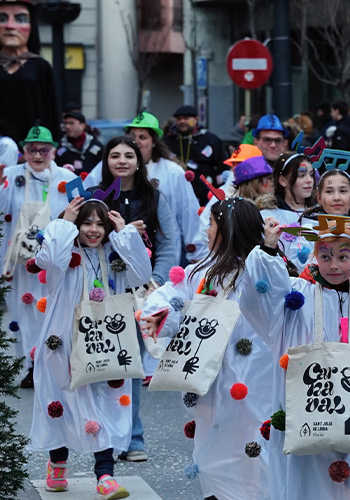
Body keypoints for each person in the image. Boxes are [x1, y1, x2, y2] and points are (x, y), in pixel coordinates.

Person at [239, 213, 350, 500]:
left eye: (343, 257)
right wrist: (268, 250)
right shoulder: (299, 295)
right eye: (325, 256)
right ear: (315, 257)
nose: (334, 265)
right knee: (312, 477)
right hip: (310, 408)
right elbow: (262, 300)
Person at [141, 198, 276, 500]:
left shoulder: (262, 269)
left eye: (212, 224)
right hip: (212, 376)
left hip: (257, 376)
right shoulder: (201, 273)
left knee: (256, 445)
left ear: (226, 229)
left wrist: (269, 253)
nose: (206, 230)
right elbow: (170, 299)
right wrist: (159, 315)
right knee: (215, 449)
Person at [30, 196, 150, 498]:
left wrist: (124, 234)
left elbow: (142, 274)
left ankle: (105, 474)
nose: (93, 230)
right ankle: (58, 464)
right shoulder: (65, 254)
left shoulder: (113, 254)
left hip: (106, 340)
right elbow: (48, 259)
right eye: (86, 223)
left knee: (106, 402)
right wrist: (64, 223)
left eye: (100, 223)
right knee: (61, 401)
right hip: (63, 342)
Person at [98, 136, 178, 462]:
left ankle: (133, 439)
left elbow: (169, 242)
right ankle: (103, 437)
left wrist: (155, 281)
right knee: (102, 364)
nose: (122, 161)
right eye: (115, 155)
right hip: (103, 290)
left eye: (129, 155)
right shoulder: (96, 197)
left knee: (131, 364)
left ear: (139, 161)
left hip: (142, 293)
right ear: (106, 161)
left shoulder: (154, 197)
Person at [0, 124, 76, 388]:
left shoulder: (67, 178)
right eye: (31, 149)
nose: (37, 155)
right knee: (24, 313)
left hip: (56, 261)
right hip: (20, 263)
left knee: (57, 311)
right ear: (23, 151)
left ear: (53, 151)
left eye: (43, 150)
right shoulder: (10, 175)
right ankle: (31, 365)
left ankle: (58, 364)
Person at [86, 111, 203, 264]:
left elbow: (188, 211)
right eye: (132, 136)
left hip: (159, 253)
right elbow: (88, 201)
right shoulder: (107, 166)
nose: (137, 141)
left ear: (154, 142)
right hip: (109, 257)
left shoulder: (173, 172)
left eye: (142, 137)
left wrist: (196, 250)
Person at [194, 155, 275, 261]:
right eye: (269, 178)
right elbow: (206, 228)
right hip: (228, 262)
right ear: (255, 182)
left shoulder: (273, 205)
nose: (273, 182)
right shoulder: (226, 203)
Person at [0, 0, 58, 144]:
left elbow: (51, 112)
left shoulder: (41, 67)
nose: (10, 26)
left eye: (20, 19)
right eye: (2, 19)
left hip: (33, 146)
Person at [260, 152, 317, 269]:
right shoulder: (268, 216)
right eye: (301, 175)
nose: (309, 180)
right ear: (283, 180)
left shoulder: (319, 214)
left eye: (311, 175)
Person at [163, 105, 225, 205]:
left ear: (196, 119)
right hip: (174, 196)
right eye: (179, 119)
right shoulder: (167, 141)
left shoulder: (210, 140)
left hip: (205, 198)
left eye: (186, 118)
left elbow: (222, 166)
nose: (182, 121)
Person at [56, 111, 104, 175]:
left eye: (71, 123)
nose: (67, 126)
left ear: (82, 125)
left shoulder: (96, 146)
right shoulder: (60, 147)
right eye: (65, 123)